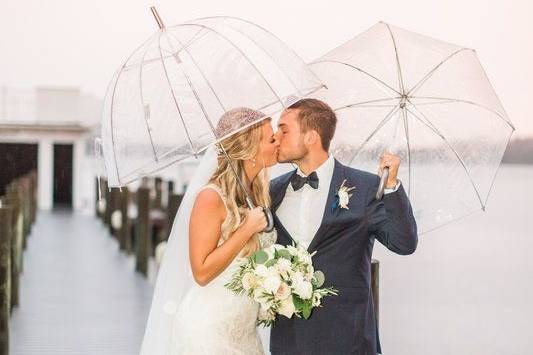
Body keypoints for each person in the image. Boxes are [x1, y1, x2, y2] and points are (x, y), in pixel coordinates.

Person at [269, 98, 418, 355]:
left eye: (284, 130)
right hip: (288, 342)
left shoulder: (366, 188)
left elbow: (404, 243)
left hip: (348, 341)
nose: (275, 137)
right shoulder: (273, 191)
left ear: (311, 137)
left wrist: (392, 185)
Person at [140, 107, 279, 354]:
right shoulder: (210, 197)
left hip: (244, 333)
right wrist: (246, 230)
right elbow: (201, 272)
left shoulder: (254, 194)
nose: (278, 140)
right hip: (208, 331)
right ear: (250, 151)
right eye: (271, 138)